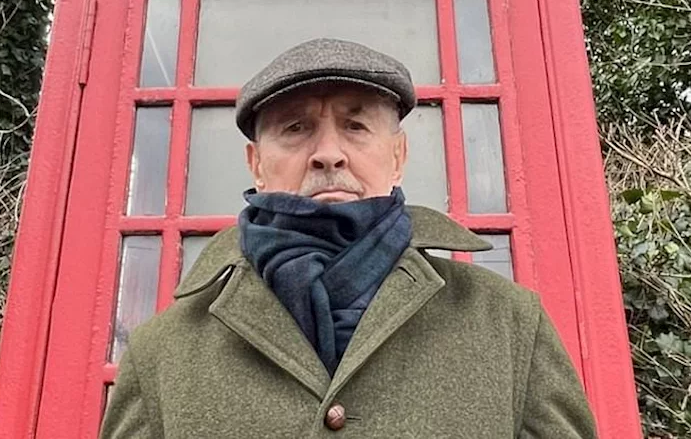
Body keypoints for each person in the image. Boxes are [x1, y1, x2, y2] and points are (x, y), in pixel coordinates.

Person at [100, 38, 598, 438]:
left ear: (398, 157)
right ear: (256, 163)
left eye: (356, 126)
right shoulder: (162, 352)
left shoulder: (507, 323)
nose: (329, 154)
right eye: (296, 128)